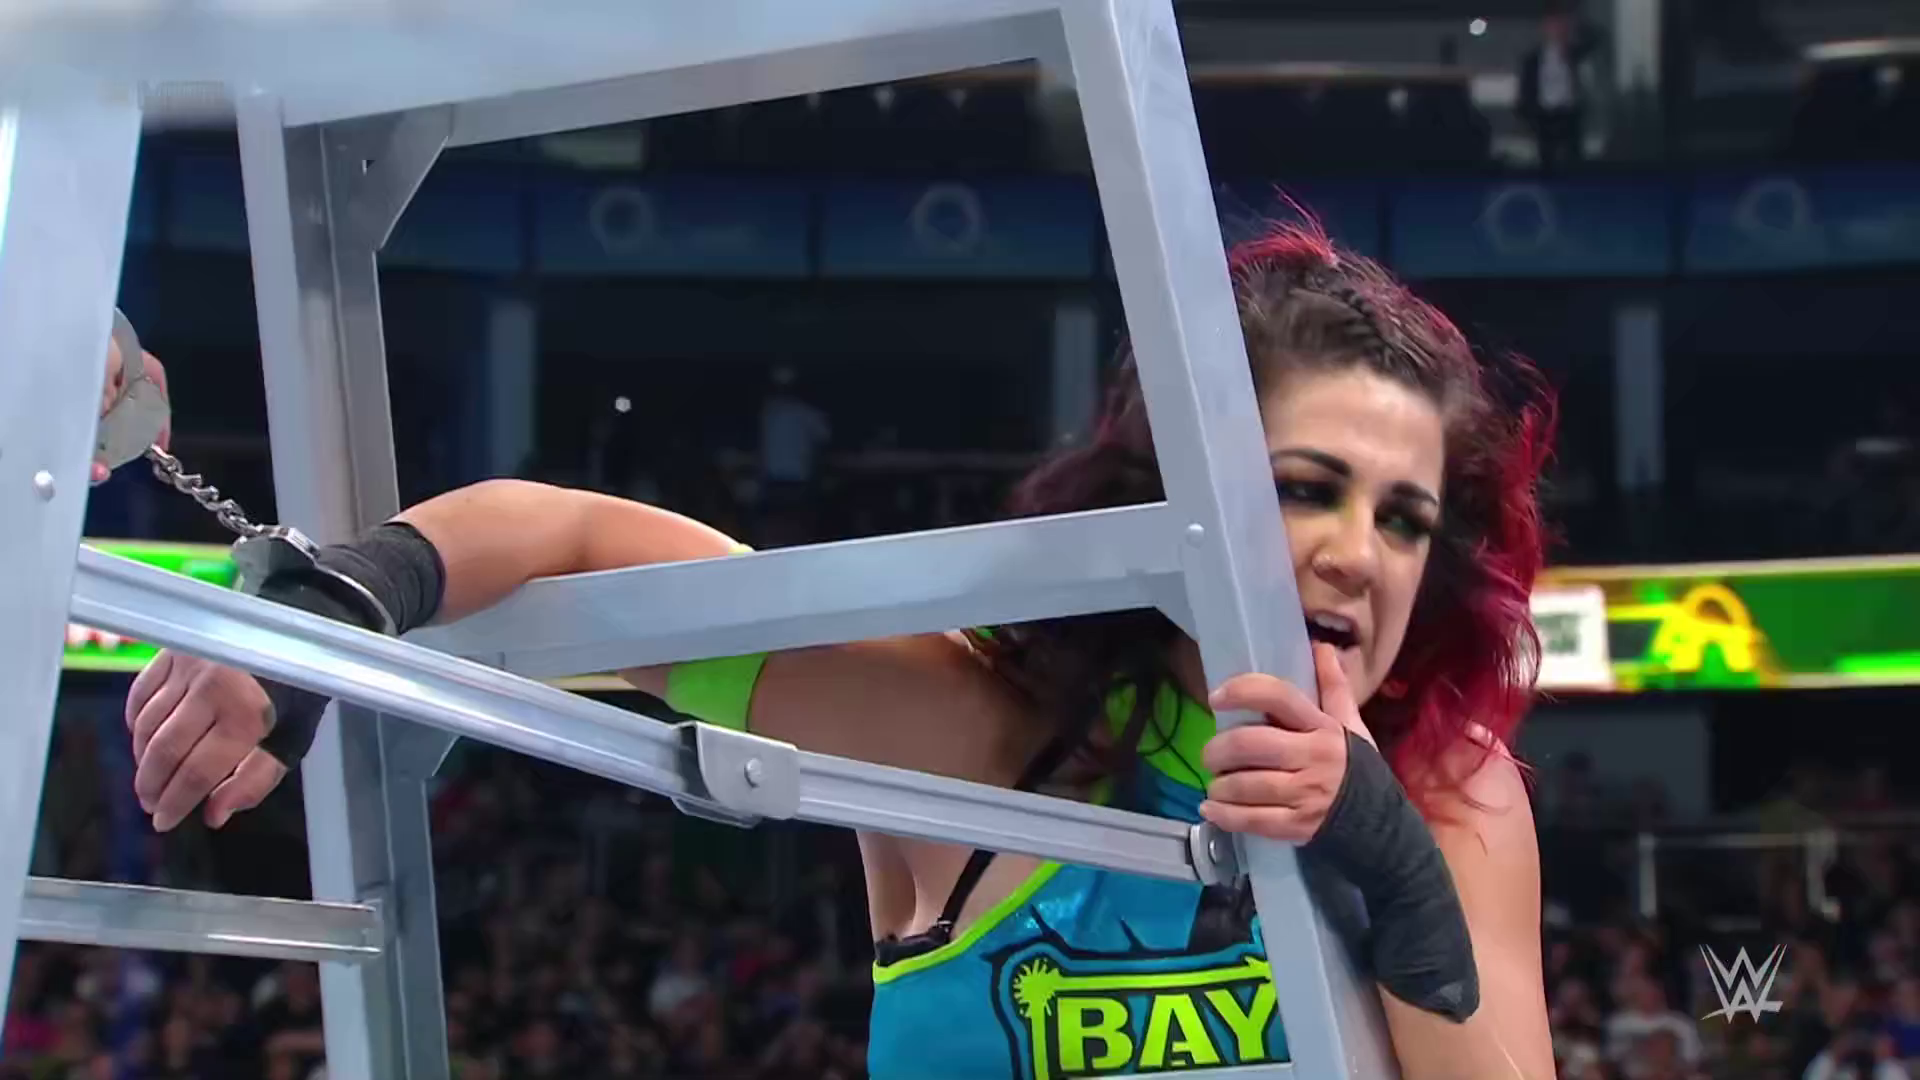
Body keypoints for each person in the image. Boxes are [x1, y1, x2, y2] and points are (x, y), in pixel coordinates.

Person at [120, 223, 1560, 1078]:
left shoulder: (1452, 796)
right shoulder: (994, 733)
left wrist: (1381, 851)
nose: (1357, 552)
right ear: (1178, 494)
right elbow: (577, 537)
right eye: (1307, 488)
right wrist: (326, 611)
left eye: (1405, 518)